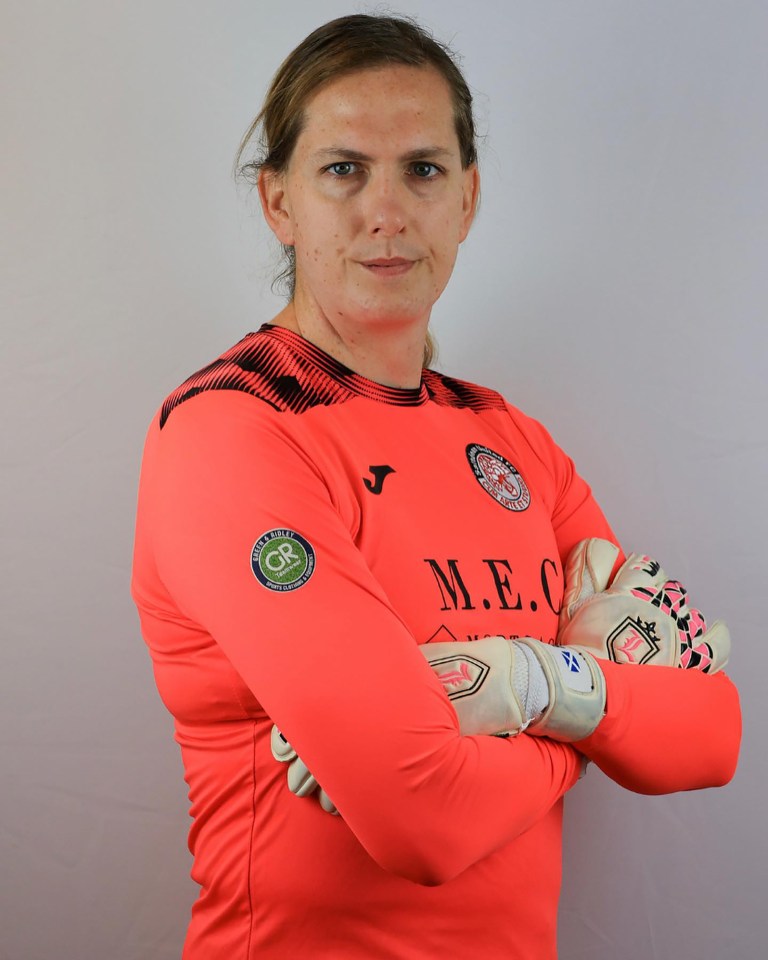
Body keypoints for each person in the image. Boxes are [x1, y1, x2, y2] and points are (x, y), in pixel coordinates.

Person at [131, 14, 741, 959]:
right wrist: (587, 707)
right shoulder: (235, 430)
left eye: (422, 169)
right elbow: (421, 818)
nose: (387, 211)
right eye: (344, 169)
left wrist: (526, 686)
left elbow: (711, 734)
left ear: (467, 198)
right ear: (279, 202)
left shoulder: (512, 442)